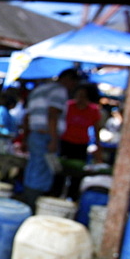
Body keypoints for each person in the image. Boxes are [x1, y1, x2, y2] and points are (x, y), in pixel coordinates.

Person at [22, 68, 82, 205]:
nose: (73, 88)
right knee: (42, 172)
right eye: (73, 83)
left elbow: (27, 116)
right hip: (46, 136)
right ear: (68, 79)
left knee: (33, 170)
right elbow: (52, 114)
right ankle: (33, 206)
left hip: (35, 135)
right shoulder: (59, 91)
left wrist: (25, 138)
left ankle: (28, 202)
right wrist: (54, 140)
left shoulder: (39, 90)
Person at [53, 82, 103, 200]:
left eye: (84, 96)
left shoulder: (93, 110)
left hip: (81, 146)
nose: (80, 98)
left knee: (77, 175)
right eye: (79, 95)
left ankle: (72, 199)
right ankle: (55, 195)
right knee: (60, 173)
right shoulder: (68, 106)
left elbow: (96, 130)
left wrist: (98, 148)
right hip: (65, 143)